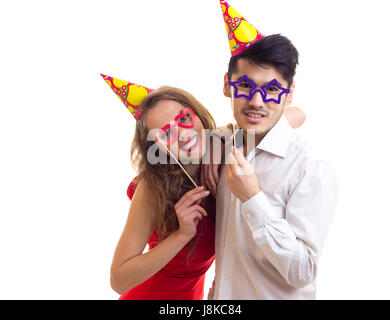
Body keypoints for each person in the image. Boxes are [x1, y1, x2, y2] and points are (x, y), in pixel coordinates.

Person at [101, 74, 307, 299]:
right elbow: (119, 280)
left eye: (184, 118)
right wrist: (181, 235)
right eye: (166, 133)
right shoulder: (153, 188)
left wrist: (219, 141)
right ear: (156, 147)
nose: (183, 133)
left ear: (196, 112)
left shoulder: (223, 148)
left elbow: (297, 114)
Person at [206, 1, 338, 299]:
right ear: (227, 86)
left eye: (272, 90)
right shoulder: (226, 145)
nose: (256, 101)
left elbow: (302, 271)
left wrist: (253, 199)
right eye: (245, 86)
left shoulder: (309, 167)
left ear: (289, 94)